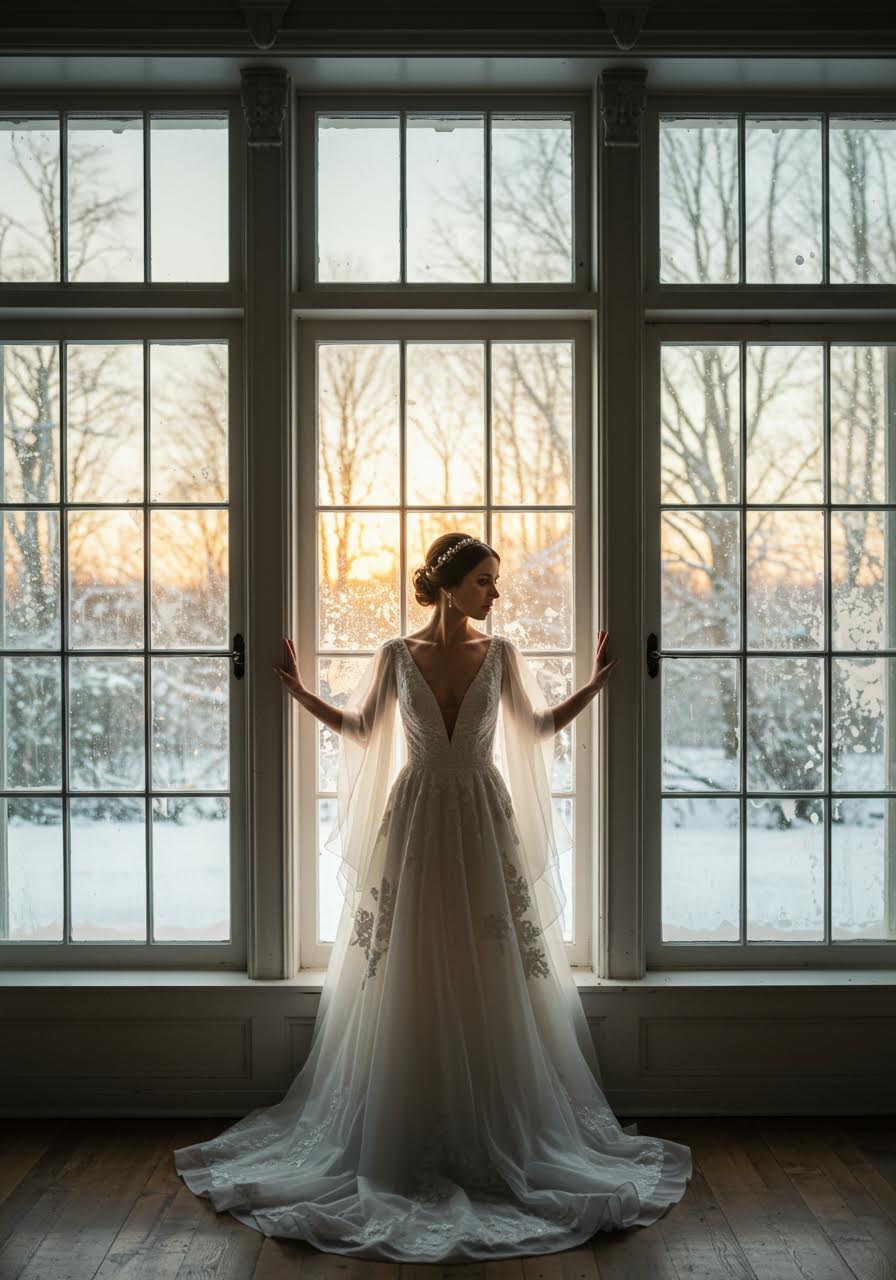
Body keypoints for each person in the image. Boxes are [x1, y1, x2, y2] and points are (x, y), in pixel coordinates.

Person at [173, 532, 692, 1262]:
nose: (495, 593)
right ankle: (405, 1126)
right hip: (416, 817)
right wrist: (297, 693)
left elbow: (537, 730)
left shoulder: (502, 656)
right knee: (411, 960)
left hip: (482, 815)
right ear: (447, 585)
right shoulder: (395, 656)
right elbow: (360, 731)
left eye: (496, 581)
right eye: (485, 580)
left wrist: (598, 685)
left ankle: (494, 1130)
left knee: (488, 960)